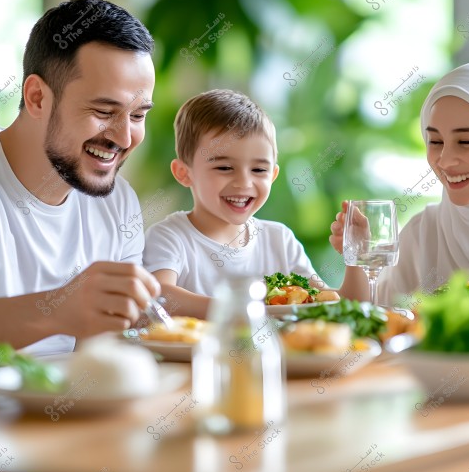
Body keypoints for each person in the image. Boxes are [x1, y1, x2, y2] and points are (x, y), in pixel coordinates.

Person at [0, 0, 161, 355]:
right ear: (36, 97)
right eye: (104, 111)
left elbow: (104, 357)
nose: (124, 138)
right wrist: (58, 310)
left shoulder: (117, 201)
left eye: (138, 116)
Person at [330, 60, 469, 306]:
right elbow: (374, 326)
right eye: (435, 141)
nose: (444, 161)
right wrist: (360, 258)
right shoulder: (424, 235)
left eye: (466, 141)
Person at [143, 89, 343, 318]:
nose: (243, 183)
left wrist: (356, 258)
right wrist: (246, 310)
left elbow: (329, 304)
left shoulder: (280, 239)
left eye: (258, 170)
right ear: (183, 173)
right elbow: (161, 297)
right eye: (224, 168)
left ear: (273, 175)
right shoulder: (170, 236)